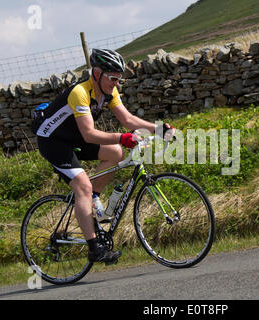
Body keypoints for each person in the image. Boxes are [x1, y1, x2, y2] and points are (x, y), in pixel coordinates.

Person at [33, 48, 174, 264]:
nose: (117, 83)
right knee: (83, 186)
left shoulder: (108, 92)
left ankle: (94, 198)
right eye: (113, 78)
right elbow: (89, 134)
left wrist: (158, 129)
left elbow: (128, 119)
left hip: (74, 137)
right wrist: (122, 137)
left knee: (115, 153)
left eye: (119, 79)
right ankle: (94, 248)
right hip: (53, 141)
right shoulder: (80, 92)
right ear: (97, 74)